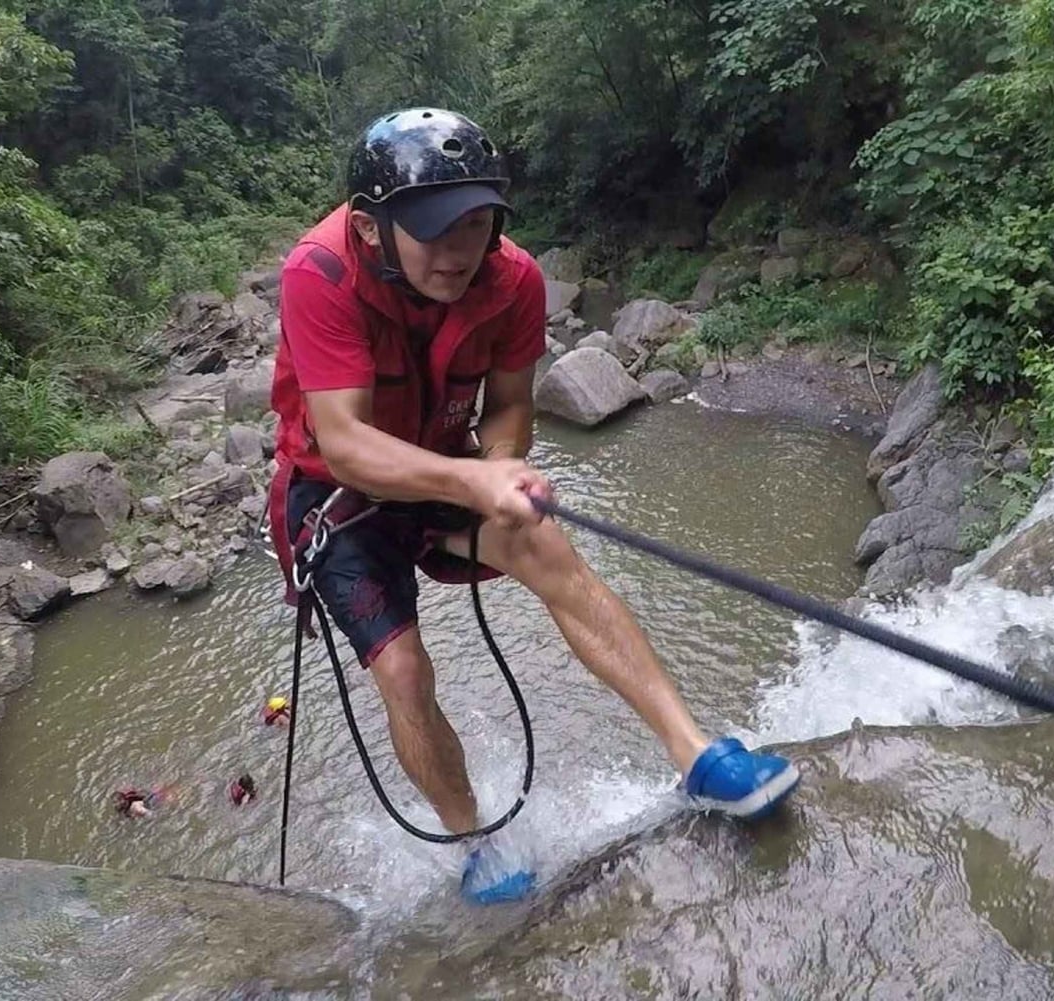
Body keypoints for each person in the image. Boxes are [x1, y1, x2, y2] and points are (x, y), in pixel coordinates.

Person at [266, 107, 799, 903]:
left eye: (476, 224)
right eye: (434, 229)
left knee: (551, 553)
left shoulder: (512, 277)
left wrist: (503, 465)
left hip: (454, 462)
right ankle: (474, 837)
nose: (458, 252)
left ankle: (697, 756)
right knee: (404, 669)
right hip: (339, 497)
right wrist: (473, 481)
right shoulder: (321, 273)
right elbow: (343, 441)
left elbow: (512, 403)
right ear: (372, 228)